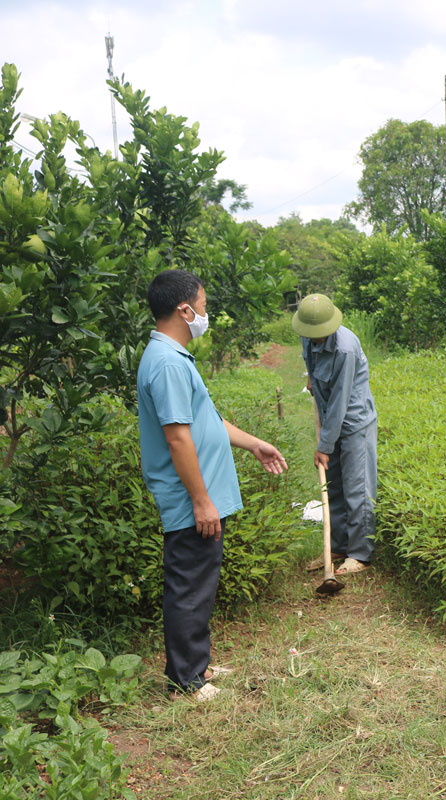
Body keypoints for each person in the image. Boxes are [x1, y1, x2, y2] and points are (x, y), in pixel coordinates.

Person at [137, 270, 288, 701]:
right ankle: (186, 681)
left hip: (198, 498)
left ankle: (193, 664)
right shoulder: (167, 362)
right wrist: (201, 501)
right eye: (202, 306)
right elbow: (177, 437)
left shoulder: (175, 356)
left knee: (199, 582)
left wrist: (253, 443)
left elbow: (206, 420)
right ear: (184, 310)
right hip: (190, 500)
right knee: (189, 586)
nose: (205, 313)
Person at [293, 294, 378, 576]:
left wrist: (324, 446)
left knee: (357, 486)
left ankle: (360, 553)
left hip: (354, 421)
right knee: (334, 485)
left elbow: (342, 400)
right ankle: (338, 546)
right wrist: (311, 379)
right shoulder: (307, 336)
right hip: (329, 413)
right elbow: (312, 365)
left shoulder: (345, 349)